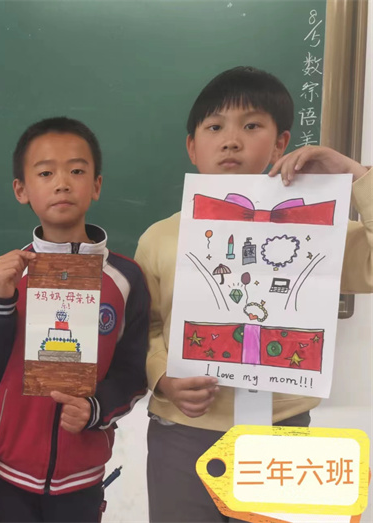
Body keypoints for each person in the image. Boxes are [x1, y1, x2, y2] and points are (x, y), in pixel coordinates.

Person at [136, 65, 373, 522]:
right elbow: (145, 328)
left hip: (282, 429)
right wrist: (162, 376)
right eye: (214, 127)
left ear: (280, 144)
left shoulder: (316, 229)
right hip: (185, 430)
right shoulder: (160, 238)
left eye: (251, 126)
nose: (231, 140)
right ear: (192, 146)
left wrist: (356, 174)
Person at [0, 116, 150, 522]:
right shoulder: (7, 274)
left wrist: (96, 408)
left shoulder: (125, 279)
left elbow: (134, 372)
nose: (62, 183)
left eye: (77, 171)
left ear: (97, 185)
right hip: (8, 470)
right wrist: (1, 298)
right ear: (21, 189)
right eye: (46, 173)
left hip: (81, 475)